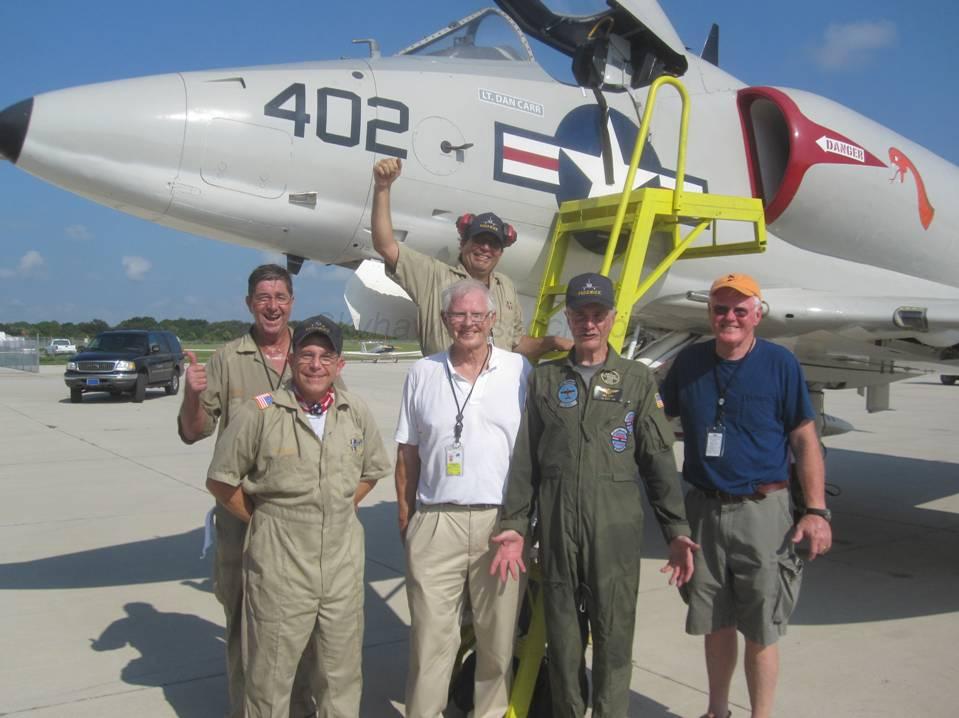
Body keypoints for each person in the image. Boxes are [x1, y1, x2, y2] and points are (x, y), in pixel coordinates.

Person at [490, 272, 699, 718]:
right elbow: (526, 460)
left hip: (615, 532)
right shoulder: (546, 380)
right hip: (558, 529)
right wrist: (514, 525)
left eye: (597, 314)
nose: (589, 323)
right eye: (580, 314)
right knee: (563, 639)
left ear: (612, 318)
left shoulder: (636, 380)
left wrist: (676, 529)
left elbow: (659, 462)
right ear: (568, 318)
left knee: (614, 637)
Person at [660, 272, 833, 718]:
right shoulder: (690, 362)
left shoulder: (780, 363)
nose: (730, 318)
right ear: (710, 313)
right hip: (704, 509)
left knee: (761, 627)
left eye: (740, 309)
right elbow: (655, 418)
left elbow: (804, 439)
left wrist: (816, 511)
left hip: (763, 512)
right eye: (721, 309)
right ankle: (717, 711)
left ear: (757, 314)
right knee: (714, 621)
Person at [206, 315, 390, 717]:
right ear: (291, 360)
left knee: (340, 677)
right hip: (280, 566)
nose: (315, 365)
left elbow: (372, 471)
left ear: (339, 365)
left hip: (341, 568)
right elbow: (221, 481)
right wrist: (263, 520)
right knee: (269, 679)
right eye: (306, 355)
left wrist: (338, 504)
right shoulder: (260, 412)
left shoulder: (355, 411)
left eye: (326, 357)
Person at [177, 264, 317, 718]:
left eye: (280, 297)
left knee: (302, 621)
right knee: (242, 621)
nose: (272, 306)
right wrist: (192, 395)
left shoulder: (313, 354)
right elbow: (193, 432)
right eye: (263, 298)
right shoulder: (226, 359)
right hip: (243, 515)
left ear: (291, 302)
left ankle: (299, 709)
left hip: (300, 516)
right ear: (249, 303)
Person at [395, 279, 531, 718]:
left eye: (477, 314)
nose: (468, 322)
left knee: (497, 642)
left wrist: (523, 523)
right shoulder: (423, 372)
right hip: (437, 519)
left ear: (492, 319)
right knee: (430, 641)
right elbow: (407, 453)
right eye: (458, 314)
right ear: (444, 320)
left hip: (500, 523)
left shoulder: (519, 370)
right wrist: (407, 520)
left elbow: (534, 452)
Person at [371, 157, 572, 360]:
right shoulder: (432, 276)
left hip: (495, 379)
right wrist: (382, 187)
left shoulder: (506, 287)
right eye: (479, 240)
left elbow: (517, 343)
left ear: (500, 252)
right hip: (448, 377)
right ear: (463, 243)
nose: (485, 248)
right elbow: (385, 246)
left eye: (494, 244)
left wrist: (552, 342)